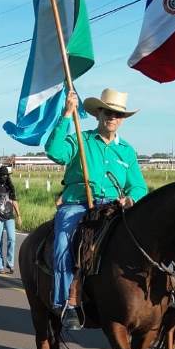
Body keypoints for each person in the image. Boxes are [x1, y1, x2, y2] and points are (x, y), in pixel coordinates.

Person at [45, 88, 148, 330]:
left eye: (117, 114)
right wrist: (67, 115)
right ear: (98, 114)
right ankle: (66, 303)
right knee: (63, 242)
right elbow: (55, 152)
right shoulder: (81, 139)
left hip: (113, 207)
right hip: (78, 204)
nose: (112, 117)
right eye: (107, 112)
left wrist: (130, 199)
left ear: (122, 119)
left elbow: (138, 186)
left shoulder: (127, 151)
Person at [0, 166, 22, 274]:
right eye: (2, 175)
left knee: (12, 239)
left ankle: (10, 263)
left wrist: (19, 215)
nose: (4, 177)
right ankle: (0, 265)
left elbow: (14, 201)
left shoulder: (10, 187)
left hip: (9, 217)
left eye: (6, 175)